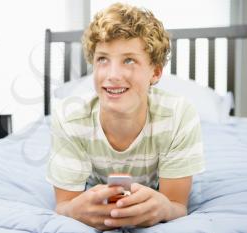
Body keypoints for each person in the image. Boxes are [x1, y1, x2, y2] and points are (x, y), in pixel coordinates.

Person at [46, 2, 205, 231]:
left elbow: (177, 206)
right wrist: (73, 210)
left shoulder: (179, 116)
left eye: (129, 60)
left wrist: (164, 208)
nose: (112, 75)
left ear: (156, 72)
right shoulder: (69, 117)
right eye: (102, 59)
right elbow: (64, 206)